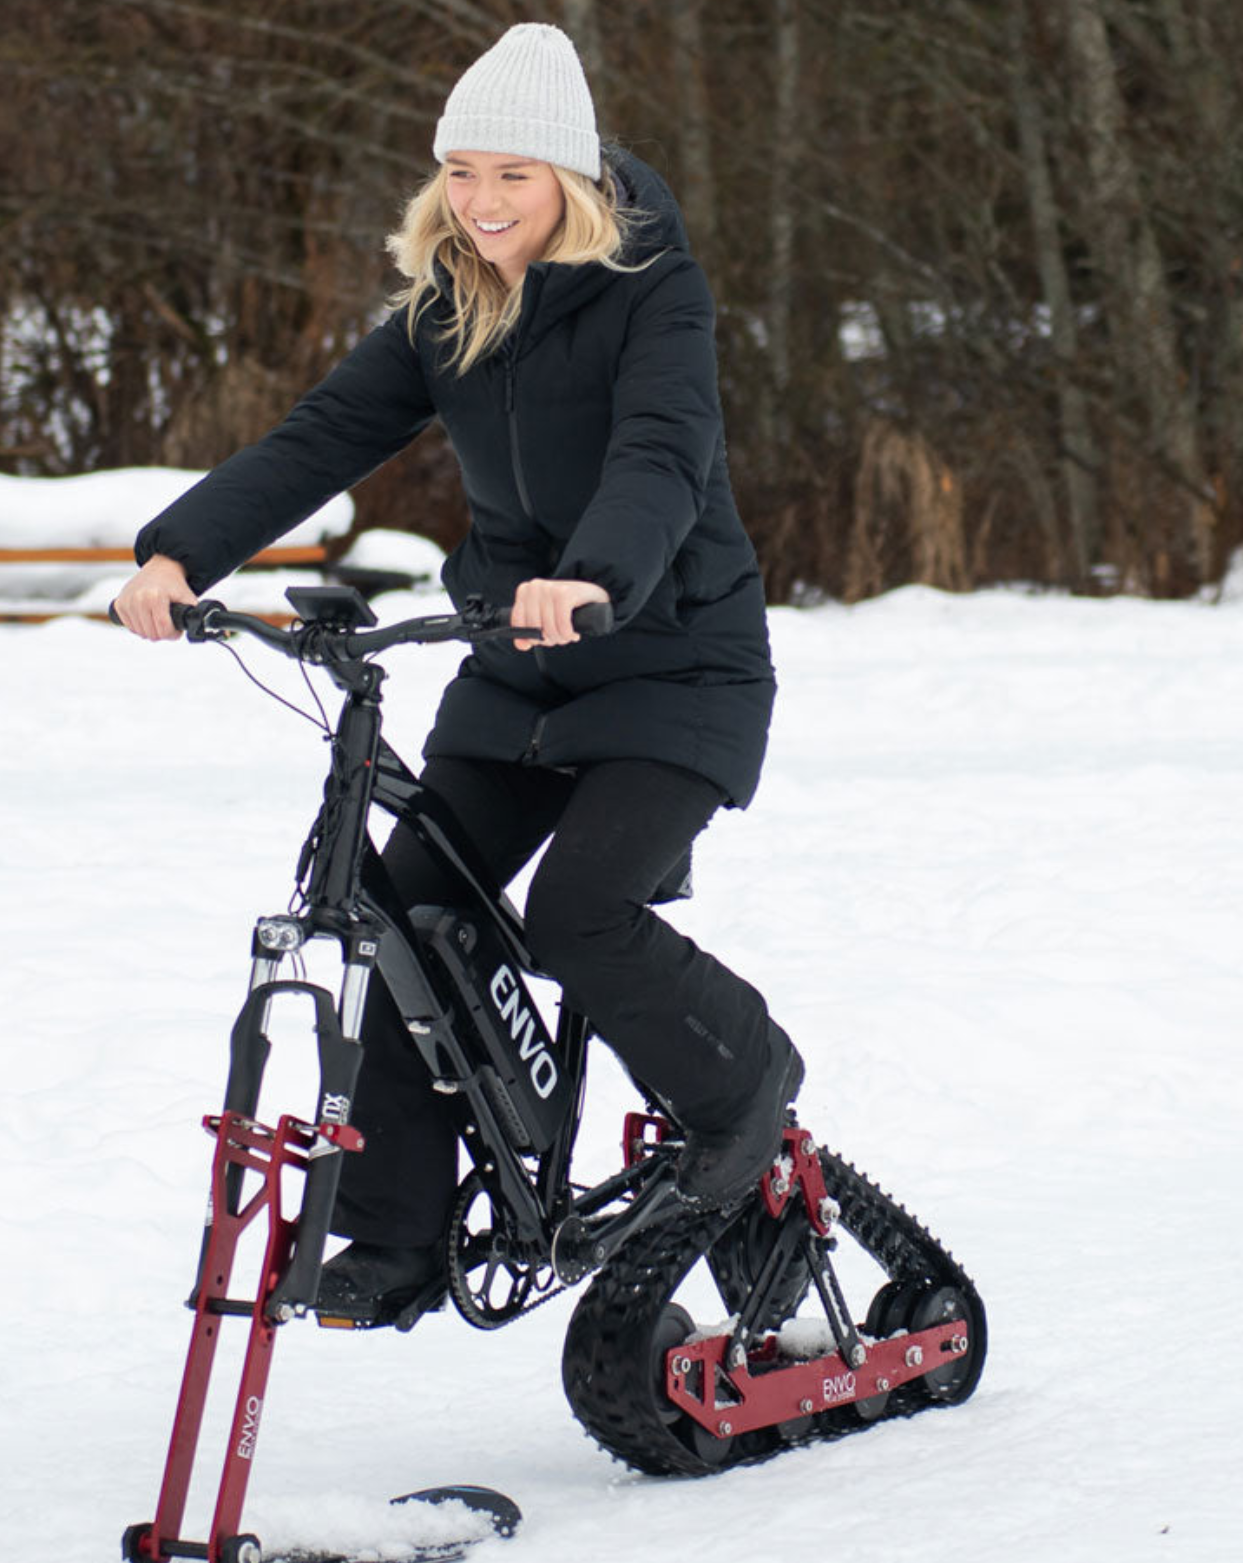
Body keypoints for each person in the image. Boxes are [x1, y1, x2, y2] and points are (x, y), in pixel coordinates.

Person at [114, 22, 803, 1325]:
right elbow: (324, 433)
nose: (483, 205)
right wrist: (180, 552)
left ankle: (741, 1084)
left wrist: (594, 575)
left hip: (672, 659)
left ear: (573, 185)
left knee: (580, 911)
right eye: (464, 175)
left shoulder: (655, 292)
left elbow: (661, 454)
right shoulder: (444, 303)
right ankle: (401, 1238)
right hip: (518, 668)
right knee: (389, 920)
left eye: (515, 177)